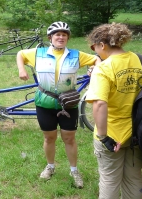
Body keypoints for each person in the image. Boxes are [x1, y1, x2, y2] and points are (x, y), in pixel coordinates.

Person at [85, 23, 142, 199]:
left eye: (94, 47)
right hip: (138, 134)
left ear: (102, 44)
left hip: (111, 135)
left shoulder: (103, 68)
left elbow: (100, 104)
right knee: (133, 179)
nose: (96, 52)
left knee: (109, 180)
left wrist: (103, 136)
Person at [16, 21, 100, 189]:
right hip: (44, 102)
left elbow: (97, 59)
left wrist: (93, 70)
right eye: (57, 35)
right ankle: (50, 166)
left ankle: (74, 170)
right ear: (50, 38)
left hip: (68, 103)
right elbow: (20, 54)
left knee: (69, 138)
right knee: (49, 137)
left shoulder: (76, 55)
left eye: (64, 35)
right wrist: (21, 69)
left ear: (67, 38)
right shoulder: (38, 53)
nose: (61, 37)